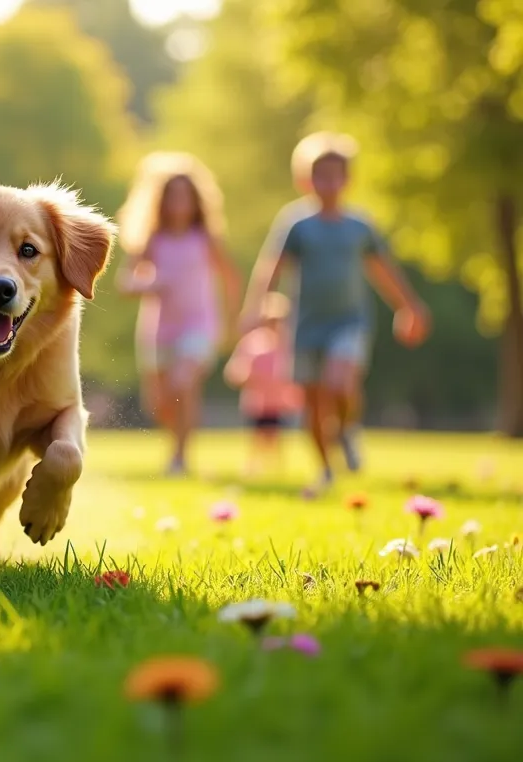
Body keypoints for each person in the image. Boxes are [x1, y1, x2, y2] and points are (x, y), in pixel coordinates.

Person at [239, 131, 431, 493]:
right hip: (307, 325)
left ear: (348, 179)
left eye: (335, 174)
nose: (327, 182)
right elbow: (271, 267)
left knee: (340, 383)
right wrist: (254, 308)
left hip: (349, 322)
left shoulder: (359, 227)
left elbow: (383, 269)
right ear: (304, 179)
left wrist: (409, 307)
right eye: (319, 174)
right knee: (312, 402)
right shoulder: (296, 224)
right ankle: (326, 468)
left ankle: (345, 429)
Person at [116, 152, 241, 476]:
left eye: (185, 195)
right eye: (172, 195)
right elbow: (125, 283)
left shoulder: (206, 239)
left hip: (200, 325)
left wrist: (231, 323)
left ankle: (181, 457)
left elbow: (230, 278)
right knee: (159, 404)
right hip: (159, 330)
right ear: (159, 200)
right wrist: (150, 284)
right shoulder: (152, 240)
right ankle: (176, 445)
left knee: (183, 384)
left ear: (197, 199)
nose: (179, 202)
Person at [224, 292, 302, 476]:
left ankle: (277, 470)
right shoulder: (252, 343)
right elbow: (234, 371)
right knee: (257, 438)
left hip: (280, 404)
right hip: (257, 404)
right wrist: (246, 376)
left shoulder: (290, 344)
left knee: (276, 438)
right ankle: (254, 467)